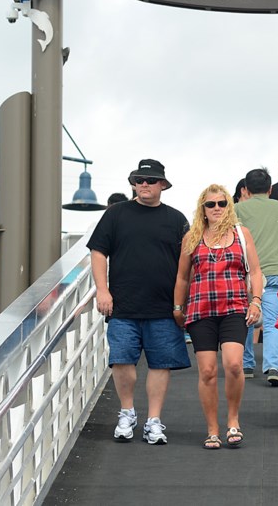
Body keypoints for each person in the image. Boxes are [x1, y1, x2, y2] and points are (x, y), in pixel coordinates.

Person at [88, 158, 190, 445]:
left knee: (161, 365)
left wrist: (182, 304)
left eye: (150, 180)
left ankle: (154, 421)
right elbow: (98, 252)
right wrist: (102, 290)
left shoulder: (177, 219)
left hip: (163, 307)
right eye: (138, 180)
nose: (143, 184)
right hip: (123, 305)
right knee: (121, 360)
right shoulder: (116, 214)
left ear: (163, 185)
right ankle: (127, 412)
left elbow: (188, 265)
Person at [173, 184, 264, 450]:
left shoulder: (241, 233)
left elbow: (256, 271)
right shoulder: (192, 237)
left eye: (221, 203)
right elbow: (182, 277)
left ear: (229, 206)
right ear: (202, 208)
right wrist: (178, 308)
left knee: (235, 365)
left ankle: (233, 421)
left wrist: (256, 301)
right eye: (210, 204)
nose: (216, 208)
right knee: (208, 371)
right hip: (201, 310)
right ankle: (212, 429)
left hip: (234, 307)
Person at [236, 168, 278, 385]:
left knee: (245, 320)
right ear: (270, 188)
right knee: (273, 323)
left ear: (246, 189)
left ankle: (247, 364)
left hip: (245, 274)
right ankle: (273, 366)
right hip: (277, 271)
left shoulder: (237, 209)